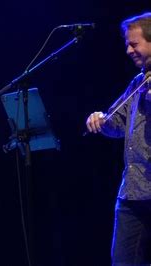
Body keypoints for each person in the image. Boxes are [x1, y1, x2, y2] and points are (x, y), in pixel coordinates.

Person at [86, 12, 151, 265]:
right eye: (127, 43)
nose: (128, 50)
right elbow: (117, 123)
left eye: (134, 44)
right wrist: (101, 120)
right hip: (132, 192)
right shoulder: (138, 81)